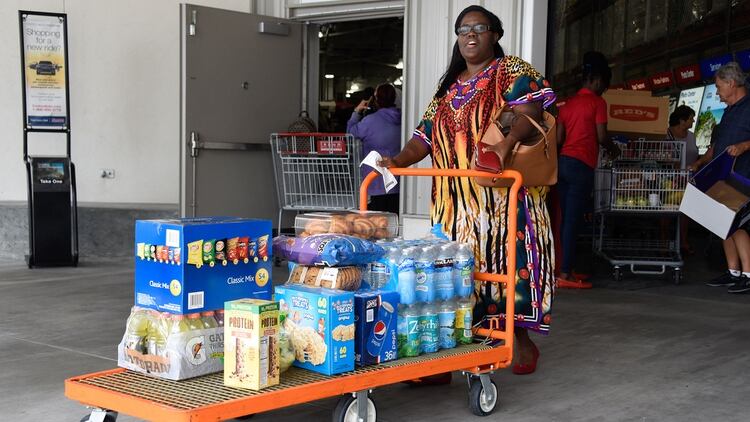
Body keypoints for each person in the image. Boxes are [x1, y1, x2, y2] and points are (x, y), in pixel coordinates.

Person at [380, 5, 556, 375]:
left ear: (496, 34)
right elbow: (422, 138)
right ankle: (447, 349)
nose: (470, 35)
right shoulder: (448, 87)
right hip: (454, 206)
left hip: (502, 200)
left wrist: (502, 148)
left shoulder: (512, 71)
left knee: (507, 270)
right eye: (463, 29)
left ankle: (518, 341)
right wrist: (395, 159)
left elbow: (533, 111)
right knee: (455, 277)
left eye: (480, 27)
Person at [555, 51, 620, 288]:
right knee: (573, 220)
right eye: (604, 83)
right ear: (597, 80)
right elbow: (602, 136)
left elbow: (559, 138)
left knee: (565, 219)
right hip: (581, 165)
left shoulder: (568, 104)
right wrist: (613, 149)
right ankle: (564, 274)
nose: (604, 88)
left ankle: (563, 267)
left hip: (562, 164)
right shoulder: (598, 103)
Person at [690, 62, 750, 293]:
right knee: (720, 223)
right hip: (722, 176)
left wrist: (744, 145)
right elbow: (718, 145)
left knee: (735, 225)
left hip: (742, 176)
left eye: (718, 87)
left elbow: (741, 143)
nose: (716, 92)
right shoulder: (729, 111)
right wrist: (700, 162)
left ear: (731, 83)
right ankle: (733, 271)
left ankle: (747, 274)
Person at [347, 83, 402, 214]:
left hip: (375, 182)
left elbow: (350, 133)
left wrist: (357, 111)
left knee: (377, 224)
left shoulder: (370, 121)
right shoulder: (404, 118)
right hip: (399, 183)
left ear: (376, 99)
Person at [666, 105, 698, 255]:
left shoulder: (691, 136)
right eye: (691, 118)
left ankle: (683, 241)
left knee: (686, 212)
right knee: (666, 210)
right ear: (682, 120)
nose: (693, 120)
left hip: (689, 179)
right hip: (669, 180)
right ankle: (664, 241)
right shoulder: (666, 135)